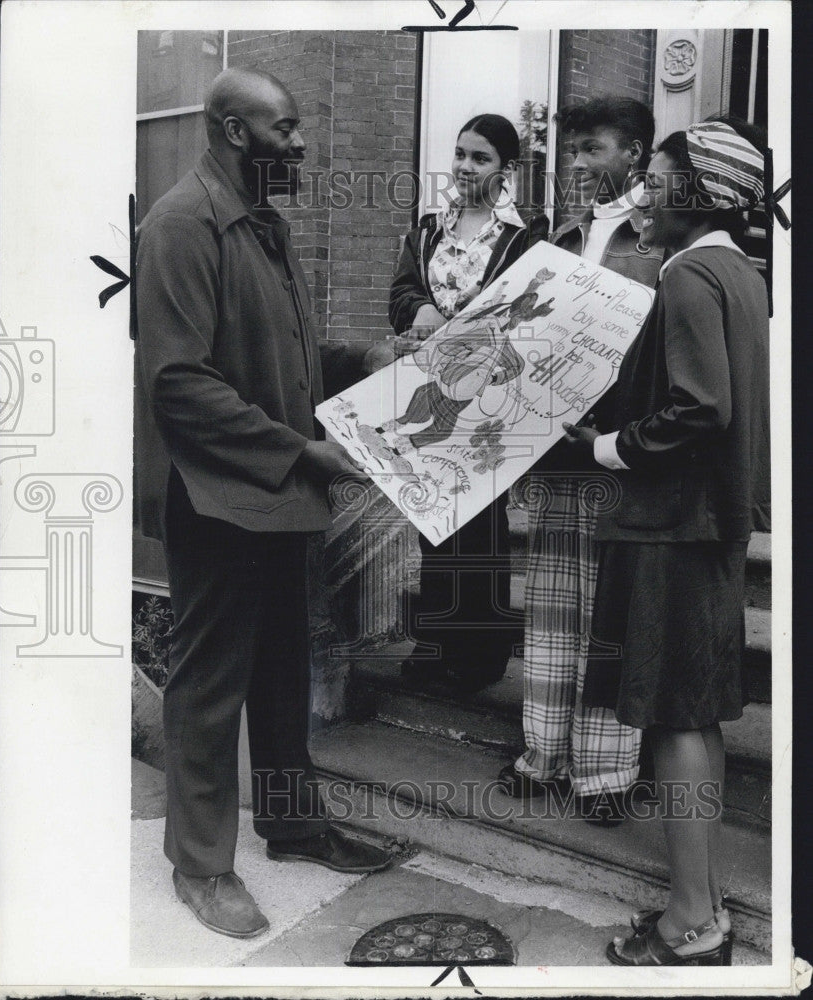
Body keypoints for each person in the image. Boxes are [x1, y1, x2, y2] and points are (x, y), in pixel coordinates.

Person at [134, 66, 391, 940]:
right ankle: (200, 867)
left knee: (284, 671)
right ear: (234, 131)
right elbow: (179, 382)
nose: (302, 143)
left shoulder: (264, 224)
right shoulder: (180, 223)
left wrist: (369, 360)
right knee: (209, 685)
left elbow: (284, 353)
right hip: (220, 501)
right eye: (285, 128)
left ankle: (291, 824)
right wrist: (302, 450)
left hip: (281, 498)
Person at [563, 117, 770, 965]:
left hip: (673, 527)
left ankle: (693, 925)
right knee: (698, 718)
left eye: (655, 177)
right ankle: (703, 902)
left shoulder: (688, 277)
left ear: (697, 192)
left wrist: (610, 445)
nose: (642, 191)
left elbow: (700, 407)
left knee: (677, 722)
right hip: (711, 526)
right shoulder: (741, 273)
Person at [497, 96, 665, 825]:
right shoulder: (558, 238)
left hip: (624, 453)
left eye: (590, 148)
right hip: (557, 450)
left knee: (612, 614)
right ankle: (543, 754)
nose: (575, 164)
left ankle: (606, 773)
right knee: (554, 610)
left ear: (632, 152)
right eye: (571, 151)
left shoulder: (659, 241)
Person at [379, 113, 549, 693]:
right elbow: (402, 290)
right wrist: (417, 310)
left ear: (507, 170)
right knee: (435, 518)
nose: (465, 167)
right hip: (431, 384)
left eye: (480, 158)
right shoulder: (428, 230)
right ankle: (434, 644)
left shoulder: (525, 237)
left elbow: (532, 311)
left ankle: (477, 657)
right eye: (459, 154)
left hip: (488, 396)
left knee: (480, 525)